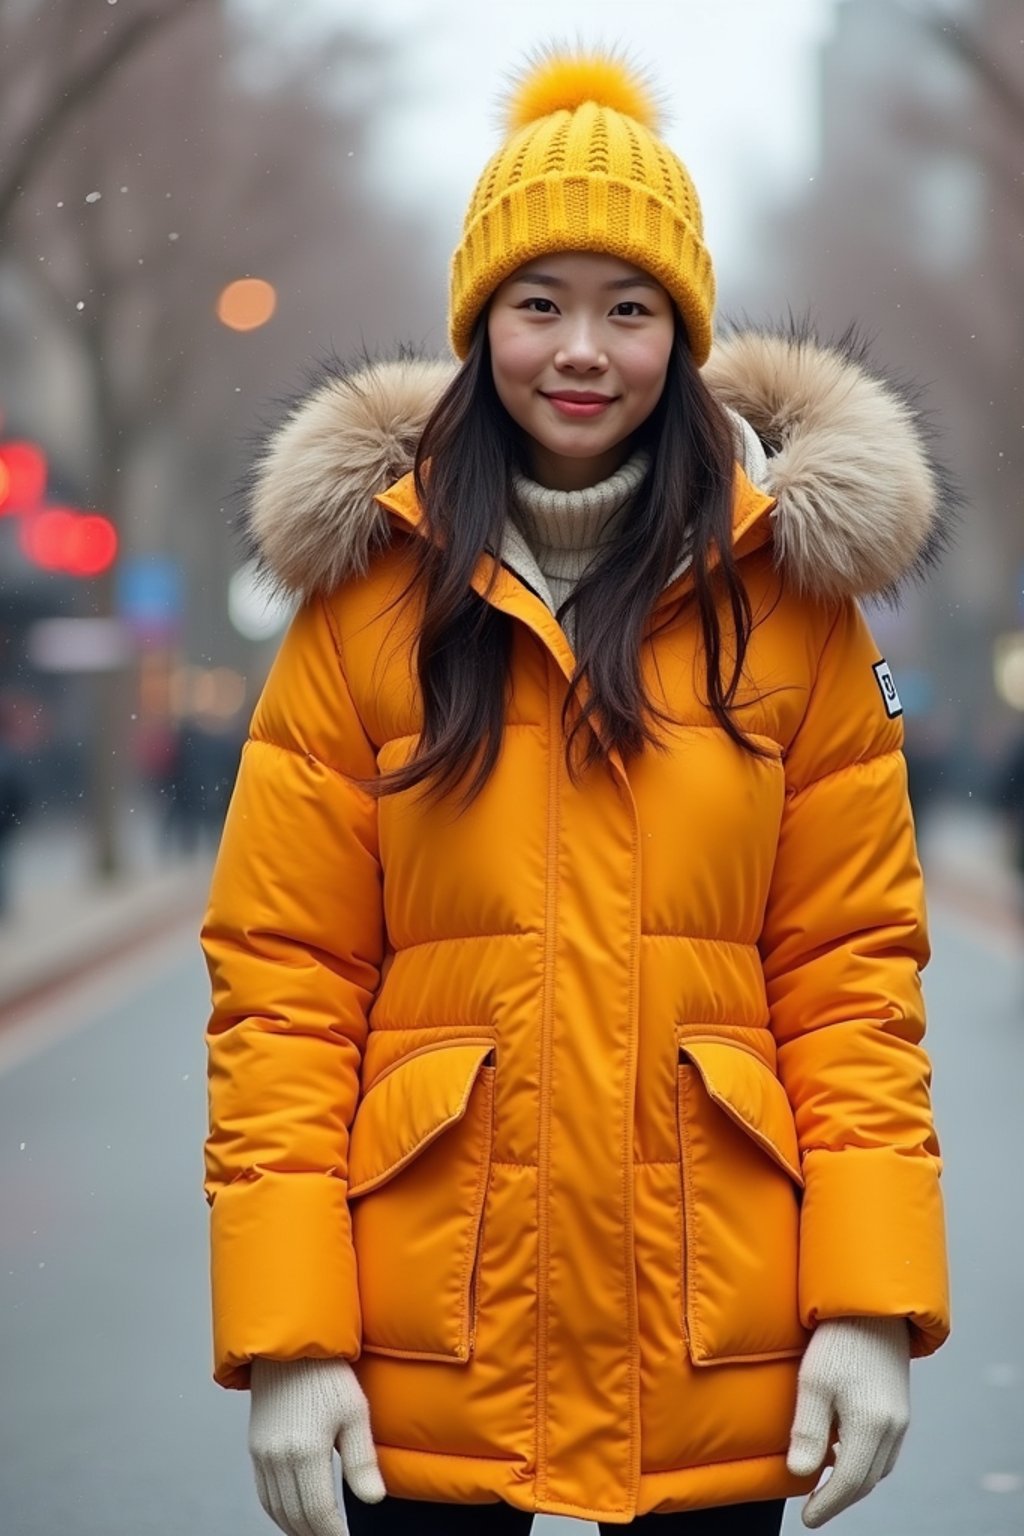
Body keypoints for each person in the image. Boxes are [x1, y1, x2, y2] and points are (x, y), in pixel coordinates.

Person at [200, 48, 953, 1536]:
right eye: (540, 304)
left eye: (631, 307)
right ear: (481, 328)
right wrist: (288, 1332)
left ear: (684, 330)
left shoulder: (792, 608)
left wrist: (870, 1304)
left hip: (712, 1331)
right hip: (429, 1332)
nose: (583, 350)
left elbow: (851, 978)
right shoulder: (364, 605)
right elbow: (288, 980)